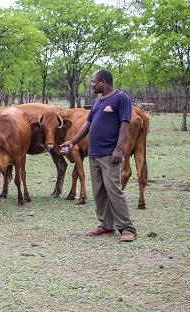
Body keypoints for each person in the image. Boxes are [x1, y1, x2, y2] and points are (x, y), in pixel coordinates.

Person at [61, 68, 137, 242]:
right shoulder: (98, 101)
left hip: (110, 153)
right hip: (94, 153)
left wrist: (119, 148)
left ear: (103, 82)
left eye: (94, 82)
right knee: (99, 191)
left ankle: (127, 228)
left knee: (113, 190)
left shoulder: (121, 98)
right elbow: (88, 124)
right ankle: (106, 225)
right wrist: (72, 141)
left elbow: (125, 124)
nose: (92, 85)